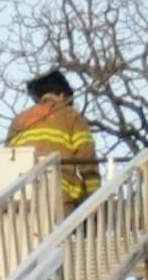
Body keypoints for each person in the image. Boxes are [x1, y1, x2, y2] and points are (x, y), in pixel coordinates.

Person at [7, 68, 101, 210]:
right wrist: (94, 198)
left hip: (19, 199)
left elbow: (6, 159)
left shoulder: (19, 120)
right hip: (59, 197)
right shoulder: (71, 115)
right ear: (62, 96)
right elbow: (86, 158)